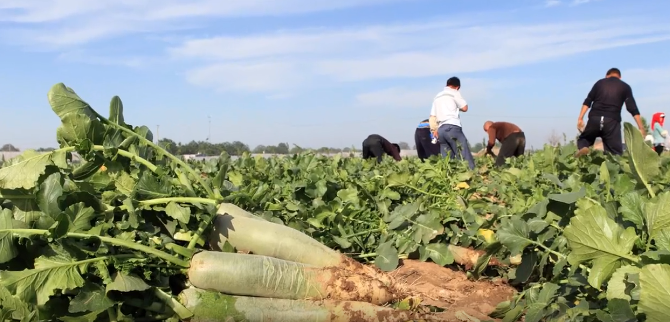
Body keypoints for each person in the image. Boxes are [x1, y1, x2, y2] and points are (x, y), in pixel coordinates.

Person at [576, 67, 646, 157]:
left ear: (606, 76)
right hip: (612, 121)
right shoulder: (625, 87)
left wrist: (580, 118)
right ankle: (612, 165)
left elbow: (588, 101)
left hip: (595, 119)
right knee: (614, 152)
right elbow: (632, 108)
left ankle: (583, 148)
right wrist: (641, 127)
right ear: (620, 77)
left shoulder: (599, 83)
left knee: (584, 139)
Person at [429, 77, 476, 169]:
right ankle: (471, 176)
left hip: (441, 130)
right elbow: (465, 108)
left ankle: (448, 179)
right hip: (452, 127)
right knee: (463, 155)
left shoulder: (437, 96)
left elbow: (432, 116)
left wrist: (434, 130)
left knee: (447, 160)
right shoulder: (454, 93)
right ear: (457, 87)